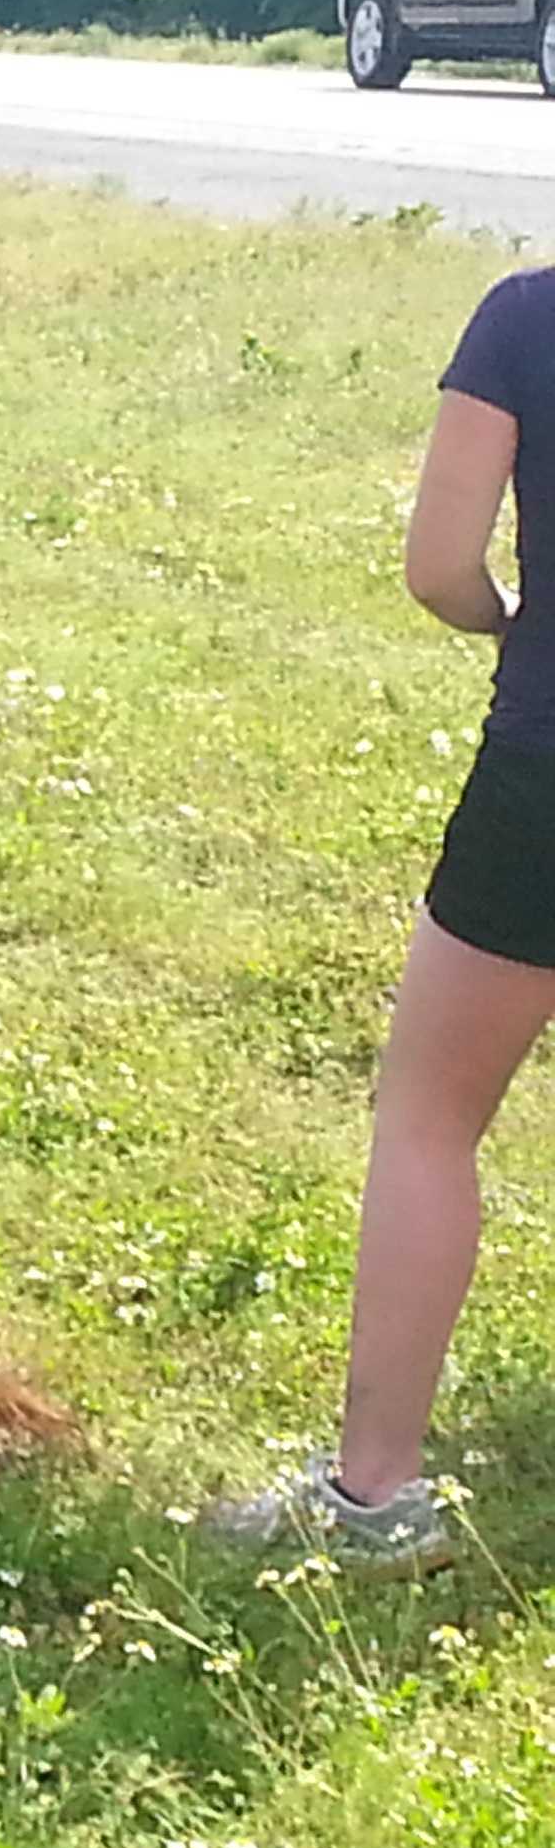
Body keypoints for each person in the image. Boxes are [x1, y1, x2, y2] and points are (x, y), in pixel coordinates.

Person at [205, 273, 555, 1577]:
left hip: (545, 775)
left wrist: (513, 625)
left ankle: (376, 1492)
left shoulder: (527, 319)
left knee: (430, 1121)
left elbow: (441, 567)